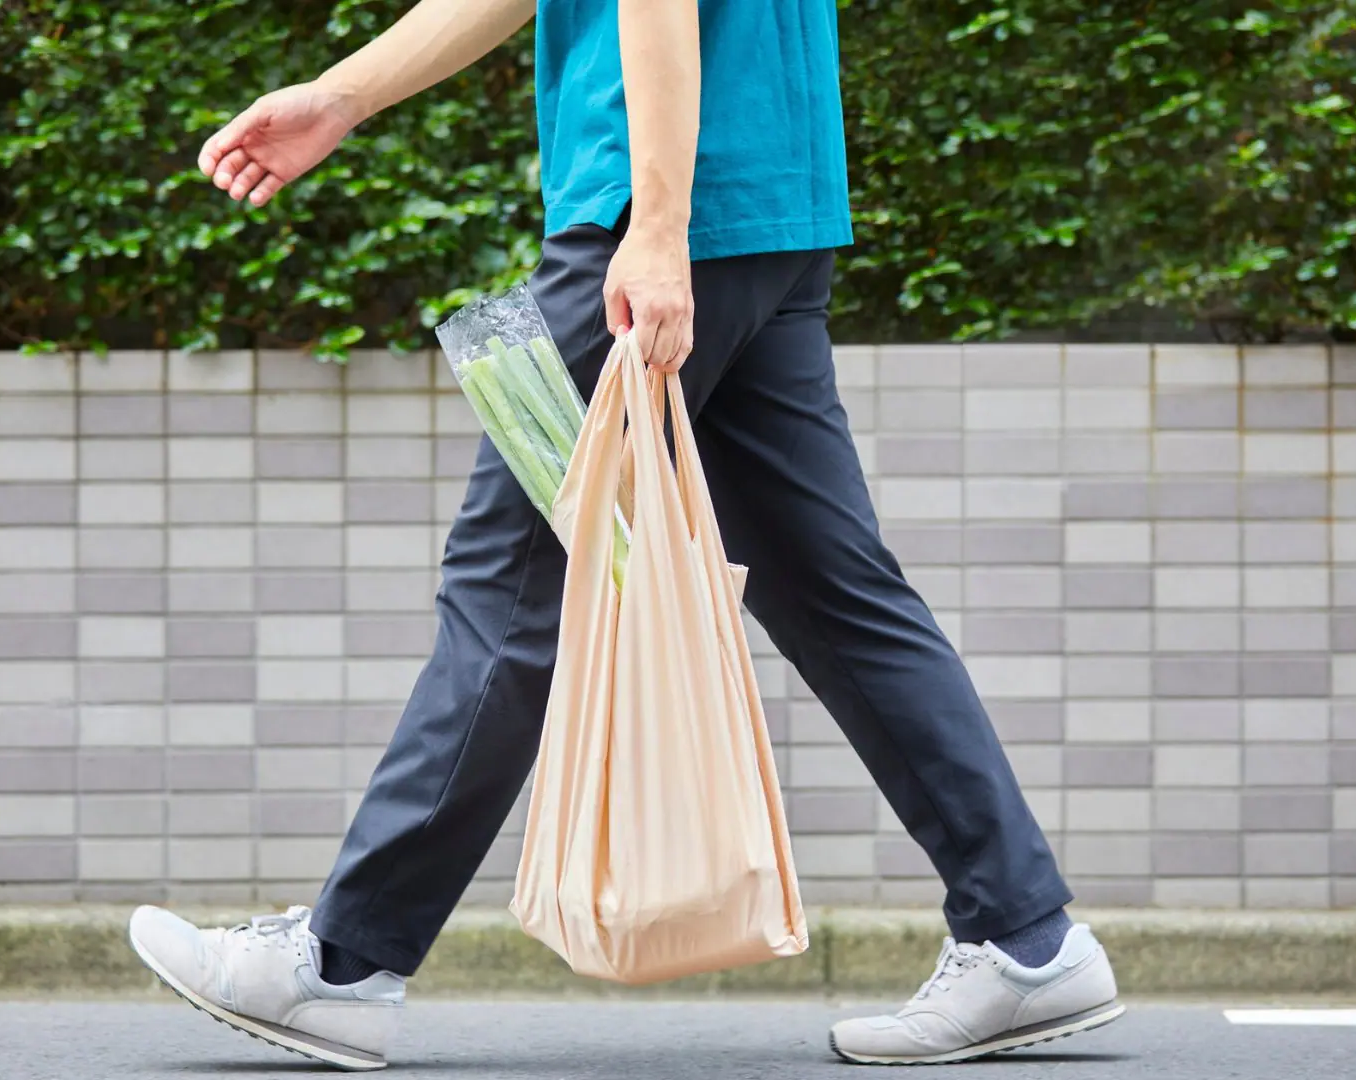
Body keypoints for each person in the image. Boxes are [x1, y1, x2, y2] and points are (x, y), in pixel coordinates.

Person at [126, 0, 1124, 1068]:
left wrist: (655, 228)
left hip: (656, 216)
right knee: (837, 595)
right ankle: (1026, 936)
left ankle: (340, 963)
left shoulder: (654, 222)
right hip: (771, 211)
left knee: (509, 590)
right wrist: (344, 95)